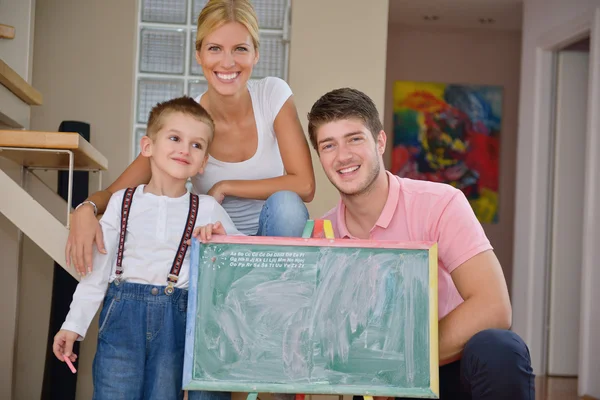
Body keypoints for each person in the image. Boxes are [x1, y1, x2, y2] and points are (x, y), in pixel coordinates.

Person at [305, 88, 535, 399]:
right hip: (382, 382)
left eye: (354, 138)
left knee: (500, 349)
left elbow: (493, 306)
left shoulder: (440, 203)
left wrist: (401, 362)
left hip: (449, 367)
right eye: (328, 145)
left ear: (380, 141)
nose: (342, 155)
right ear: (319, 156)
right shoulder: (321, 236)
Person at [66, 0, 314, 276]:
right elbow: (115, 193)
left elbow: (304, 184)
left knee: (287, 206)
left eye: (240, 49)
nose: (227, 62)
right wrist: (84, 209)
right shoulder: (187, 124)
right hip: (214, 245)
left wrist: (226, 185)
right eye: (214, 48)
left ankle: (277, 297)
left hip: (273, 246)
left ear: (256, 54)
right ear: (199, 54)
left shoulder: (272, 95)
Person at [52, 97, 241, 399]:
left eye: (196, 145)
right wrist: (72, 325)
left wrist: (219, 241)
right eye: (175, 138)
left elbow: (240, 264)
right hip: (121, 323)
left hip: (174, 327)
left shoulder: (208, 209)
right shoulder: (121, 202)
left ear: (204, 162)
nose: (184, 149)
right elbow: (97, 275)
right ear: (147, 147)